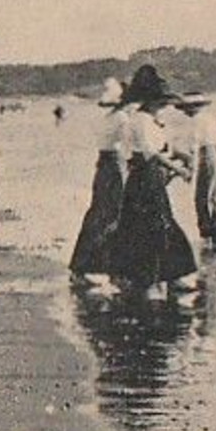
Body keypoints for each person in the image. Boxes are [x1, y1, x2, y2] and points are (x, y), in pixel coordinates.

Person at [110, 66, 197, 298]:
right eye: (161, 101)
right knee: (151, 226)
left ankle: (171, 274)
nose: (164, 105)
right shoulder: (140, 120)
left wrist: (183, 155)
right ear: (150, 100)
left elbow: (164, 146)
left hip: (151, 176)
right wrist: (178, 168)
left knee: (162, 223)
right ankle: (150, 280)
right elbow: (150, 153)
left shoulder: (151, 119)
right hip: (144, 177)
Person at [69, 78, 130, 282]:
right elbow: (127, 149)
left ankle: (82, 265)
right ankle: (115, 269)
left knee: (97, 213)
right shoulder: (122, 118)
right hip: (116, 165)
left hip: (103, 165)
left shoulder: (107, 118)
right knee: (116, 214)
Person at [178, 91, 216, 256]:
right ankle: (214, 239)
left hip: (206, 158)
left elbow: (195, 148)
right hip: (214, 158)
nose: (185, 111)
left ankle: (212, 239)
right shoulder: (209, 119)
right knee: (211, 199)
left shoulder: (197, 121)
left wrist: (190, 170)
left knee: (203, 200)